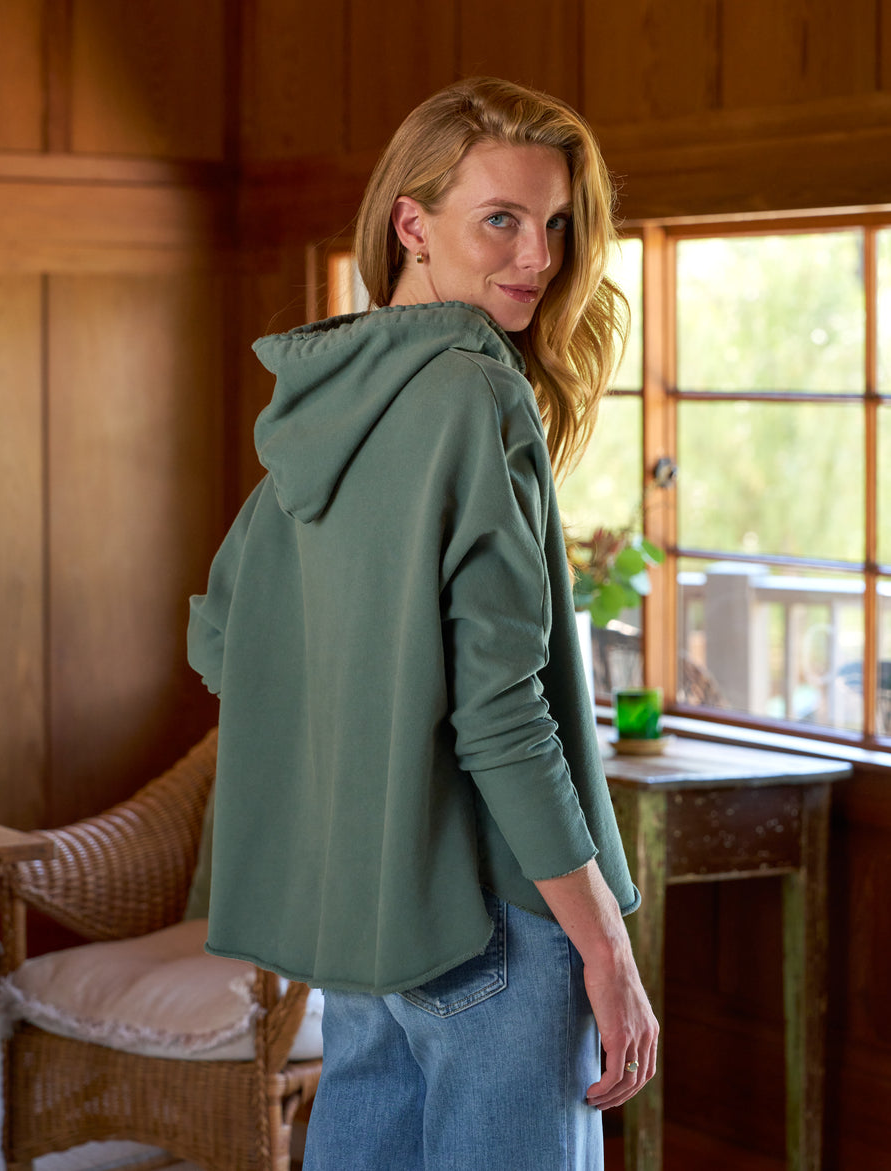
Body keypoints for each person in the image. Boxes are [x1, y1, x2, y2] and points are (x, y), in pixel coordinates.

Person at [188, 76, 658, 1171]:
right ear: (413, 224)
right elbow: (503, 714)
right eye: (500, 219)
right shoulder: (473, 394)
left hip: (368, 917)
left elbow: (223, 636)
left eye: (555, 224)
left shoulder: (327, 392)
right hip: (497, 916)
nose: (537, 257)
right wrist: (606, 949)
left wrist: (374, 765)